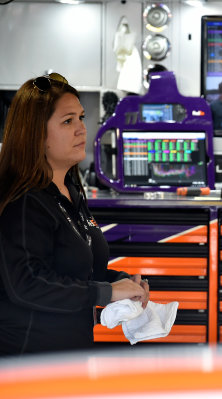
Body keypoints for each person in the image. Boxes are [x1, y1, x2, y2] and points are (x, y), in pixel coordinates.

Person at [0, 73, 149, 355]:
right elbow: (27, 283)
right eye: (68, 121)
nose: (82, 129)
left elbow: (76, 268)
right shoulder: (24, 201)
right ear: (36, 134)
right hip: (29, 360)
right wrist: (105, 293)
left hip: (68, 354)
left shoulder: (70, 193)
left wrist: (120, 282)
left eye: (81, 117)